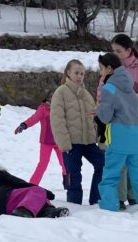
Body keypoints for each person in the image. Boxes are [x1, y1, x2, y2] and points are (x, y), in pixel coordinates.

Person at [94, 53, 138, 213]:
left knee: (110, 175)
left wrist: (98, 112)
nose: (100, 72)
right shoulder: (129, 86)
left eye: (101, 68)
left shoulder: (109, 88)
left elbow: (105, 116)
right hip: (135, 136)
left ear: (109, 68)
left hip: (118, 135)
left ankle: (109, 208)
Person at [50, 59, 104, 207]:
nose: (80, 76)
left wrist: (99, 139)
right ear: (68, 73)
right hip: (71, 143)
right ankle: (74, 206)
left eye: (82, 74)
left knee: (103, 164)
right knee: (73, 175)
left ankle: (96, 201)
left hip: (89, 142)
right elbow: (57, 120)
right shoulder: (60, 92)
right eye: (76, 73)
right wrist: (64, 144)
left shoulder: (86, 94)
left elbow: (94, 119)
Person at [0, 158, 69, 218]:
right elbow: (18, 183)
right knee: (37, 192)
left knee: (32, 200)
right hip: (5, 199)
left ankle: (46, 211)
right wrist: (45, 192)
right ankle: (25, 211)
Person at [15, 93, 66, 189]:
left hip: (59, 141)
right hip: (46, 142)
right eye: (51, 98)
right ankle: (32, 185)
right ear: (47, 99)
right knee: (43, 164)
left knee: (65, 163)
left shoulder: (60, 108)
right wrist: (24, 125)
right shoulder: (43, 109)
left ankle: (68, 183)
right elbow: (34, 119)